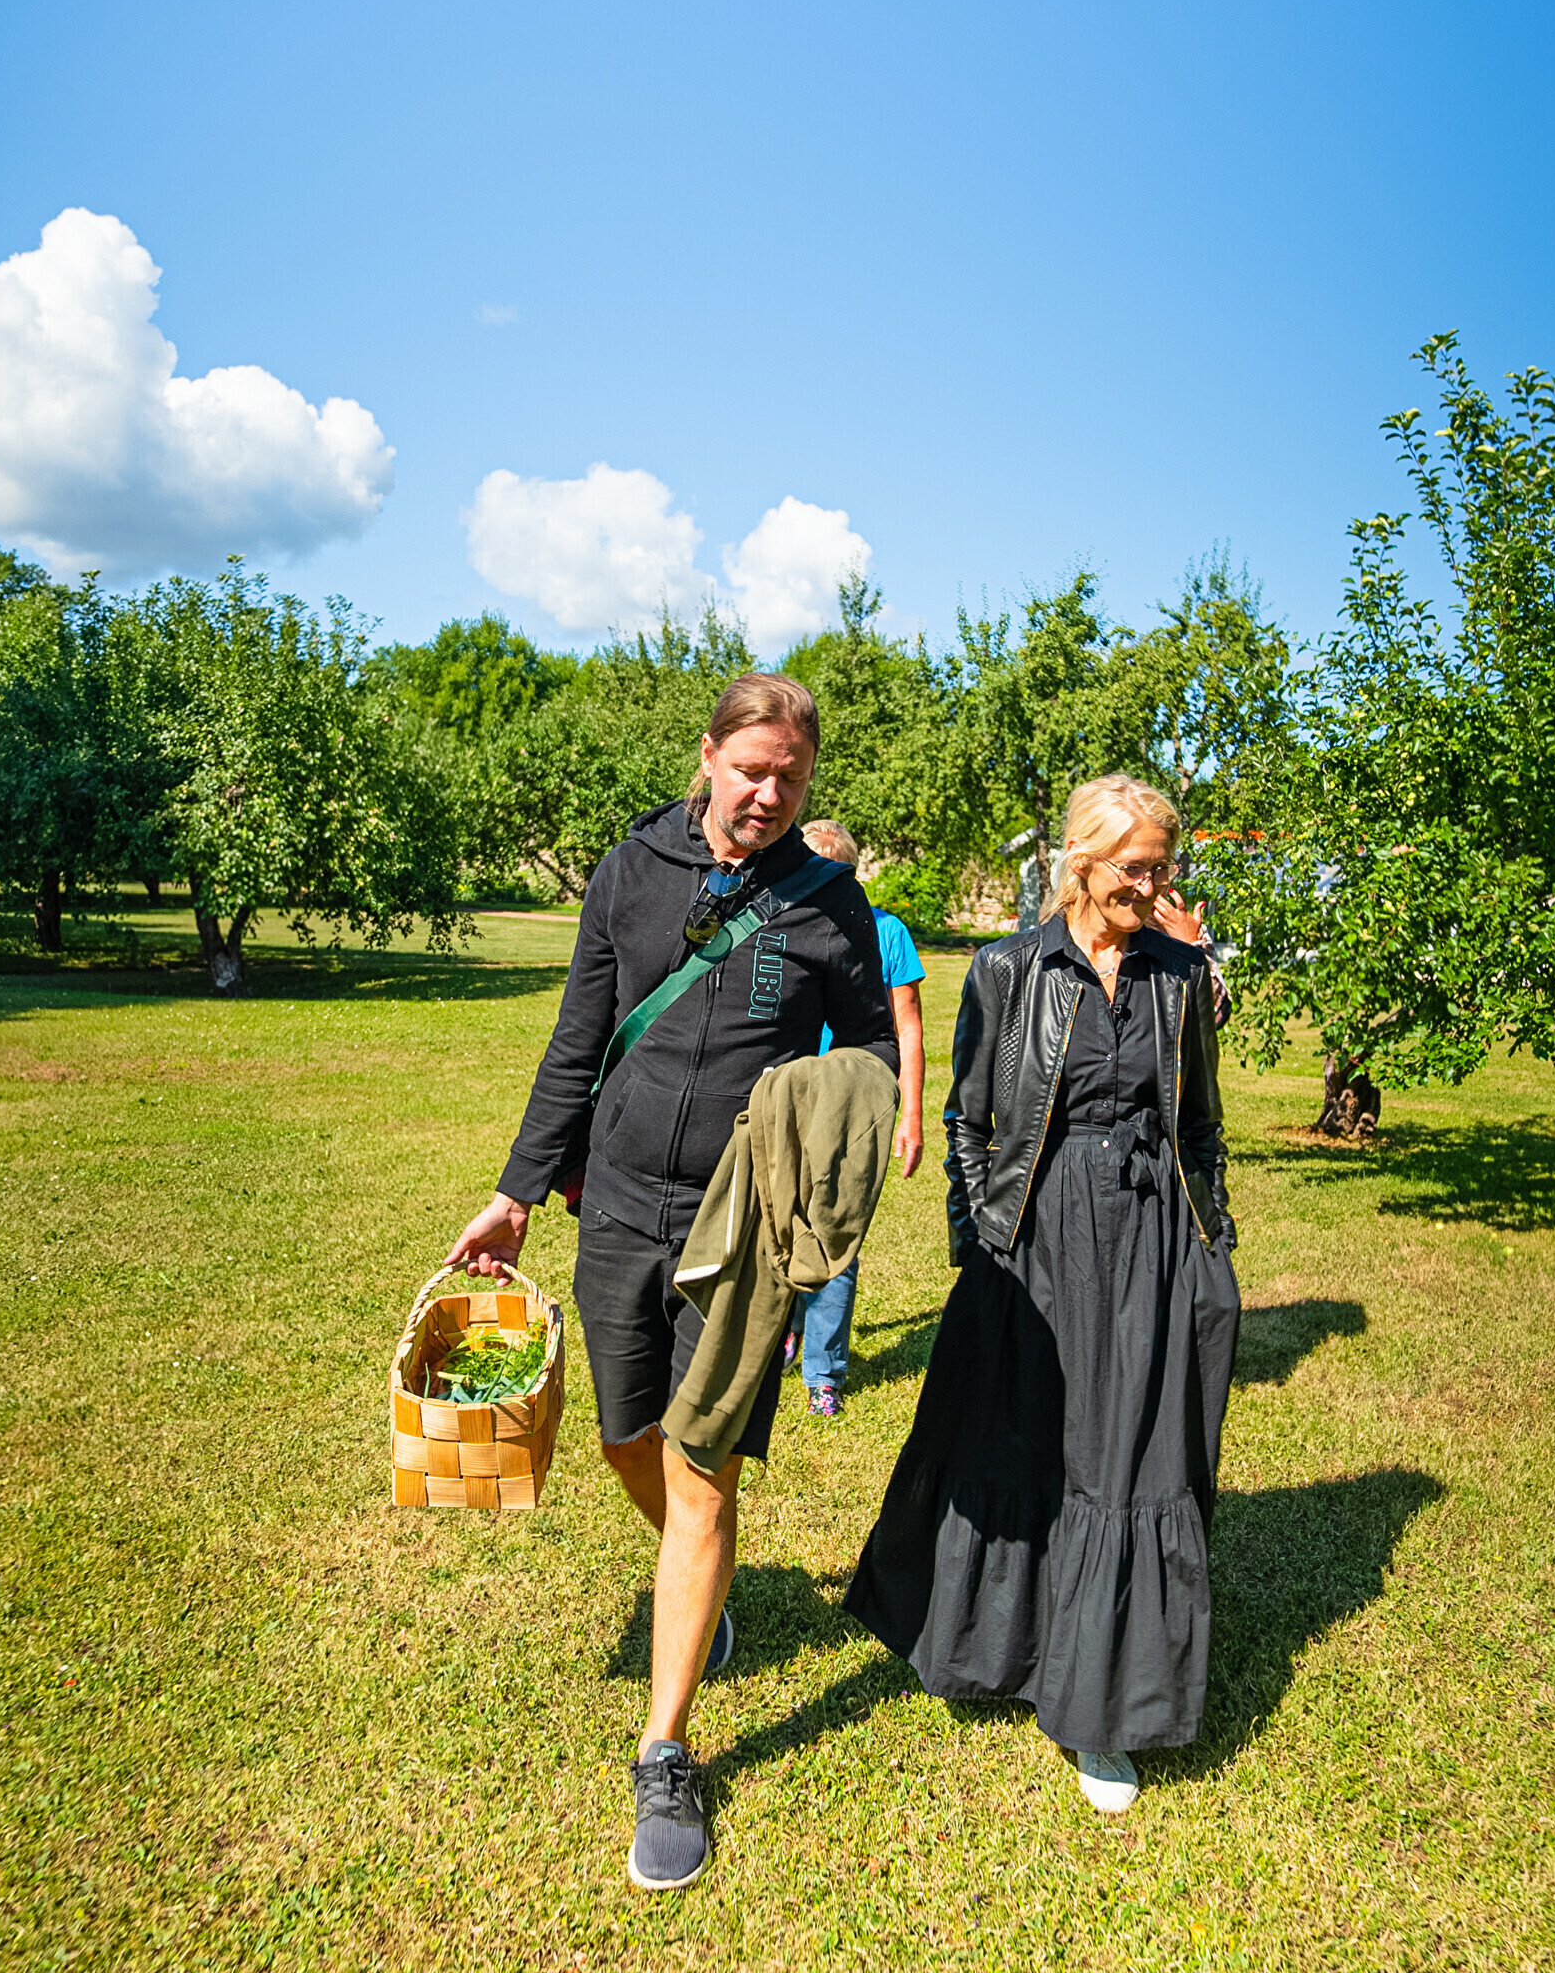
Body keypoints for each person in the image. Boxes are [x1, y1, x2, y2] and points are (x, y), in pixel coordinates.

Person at [443, 671, 897, 1894]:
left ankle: (665, 1748)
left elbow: (868, 1046)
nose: (768, 793)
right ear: (707, 757)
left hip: (739, 1227)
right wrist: (516, 1191)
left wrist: (820, 1120)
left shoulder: (829, 899)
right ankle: (704, 1577)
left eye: (791, 776)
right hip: (616, 1204)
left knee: (703, 1469)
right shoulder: (631, 869)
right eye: (751, 769)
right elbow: (578, 1037)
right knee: (623, 1436)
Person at [842, 773, 1240, 1816]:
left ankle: (1101, 1712)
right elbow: (970, 1122)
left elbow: (1202, 1123)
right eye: (1136, 868)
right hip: (1039, 1232)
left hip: (1151, 1234)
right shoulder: (1010, 968)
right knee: (1021, 1440)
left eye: (1163, 867)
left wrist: (1214, 1248)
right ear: (1082, 863)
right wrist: (982, 1248)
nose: (1154, 886)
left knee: (1126, 1457)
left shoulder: (1179, 974)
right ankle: (1002, 1652)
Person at [780, 818, 927, 1416]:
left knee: (834, 1231)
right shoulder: (778, 922)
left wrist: (912, 1114)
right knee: (777, 1223)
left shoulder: (886, 933)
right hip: (783, 1094)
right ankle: (782, 1332)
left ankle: (823, 1373)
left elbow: (908, 1028)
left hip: (852, 1103)